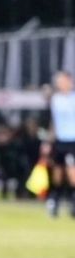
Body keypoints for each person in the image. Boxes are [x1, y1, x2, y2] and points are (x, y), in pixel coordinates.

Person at [44, 70, 75, 218]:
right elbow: (53, 123)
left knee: (72, 172)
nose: (60, 83)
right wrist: (48, 142)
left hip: (73, 141)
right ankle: (54, 200)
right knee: (57, 173)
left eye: (62, 80)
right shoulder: (55, 99)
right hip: (59, 141)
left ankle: (73, 201)